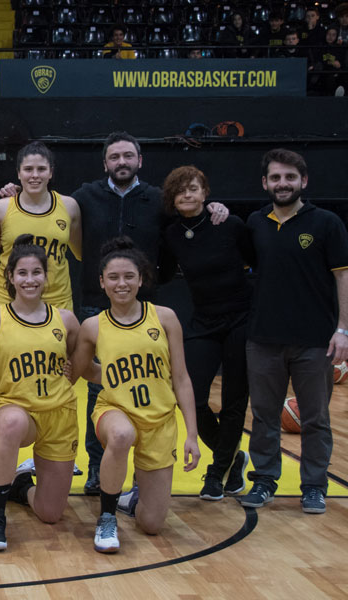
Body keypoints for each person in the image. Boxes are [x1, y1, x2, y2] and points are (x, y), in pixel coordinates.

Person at [70, 131, 226, 496]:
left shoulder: (159, 199)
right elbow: (47, 205)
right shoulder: (85, 197)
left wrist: (218, 209)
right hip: (96, 302)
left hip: (147, 307)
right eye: (114, 157)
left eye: (128, 156)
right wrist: (12, 192)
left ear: (140, 160)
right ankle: (98, 469)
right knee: (101, 391)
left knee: (154, 384)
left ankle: (145, 472)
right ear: (104, 163)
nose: (121, 162)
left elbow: (192, 217)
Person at [241, 149, 348, 514]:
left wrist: (345, 331)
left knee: (316, 418)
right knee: (263, 415)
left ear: (303, 181)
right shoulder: (255, 223)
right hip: (263, 340)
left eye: (290, 177)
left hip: (314, 342)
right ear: (265, 183)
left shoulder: (326, 223)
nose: (282, 184)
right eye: (275, 178)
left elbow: (345, 277)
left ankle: (314, 486)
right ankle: (263, 481)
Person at [71, 237, 199, 554]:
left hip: (159, 421)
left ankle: (132, 498)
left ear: (141, 279)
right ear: (102, 283)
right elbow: (82, 369)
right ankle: (106, 516)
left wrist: (192, 436)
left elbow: (181, 378)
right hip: (114, 411)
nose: (122, 283)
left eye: (129, 276)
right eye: (113, 277)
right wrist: (106, 375)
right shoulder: (92, 326)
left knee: (152, 525)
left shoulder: (165, 317)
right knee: (121, 434)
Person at [0, 236, 83, 551]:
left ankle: (20, 487)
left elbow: (74, 359)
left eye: (36, 272)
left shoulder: (65, 319)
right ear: (9, 277)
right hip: (15, 408)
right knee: (11, 425)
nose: (30, 280)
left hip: (59, 414)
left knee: (50, 514)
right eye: (22, 273)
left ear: (46, 277)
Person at [158, 166, 254, 501]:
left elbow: (256, 260)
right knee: (191, 397)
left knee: (233, 400)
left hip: (240, 319)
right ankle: (233, 456)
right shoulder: (170, 234)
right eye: (180, 190)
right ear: (172, 197)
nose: (187, 194)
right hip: (204, 320)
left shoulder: (229, 224)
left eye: (193, 188)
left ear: (205, 192)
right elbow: (163, 273)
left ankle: (216, 472)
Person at [0, 141, 81, 311]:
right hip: (7, 301)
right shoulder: (1, 209)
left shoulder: (69, 207)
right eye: (28, 169)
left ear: (50, 172)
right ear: (19, 173)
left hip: (57, 303)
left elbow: (81, 254)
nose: (35, 175)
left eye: (41, 169)